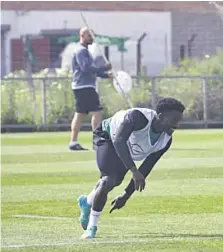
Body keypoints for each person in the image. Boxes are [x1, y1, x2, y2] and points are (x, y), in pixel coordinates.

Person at [76, 97, 185, 239]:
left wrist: (126, 195)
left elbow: (146, 167)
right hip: (107, 136)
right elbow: (119, 141)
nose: (177, 125)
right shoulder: (137, 117)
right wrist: (133, 170)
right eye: (174, 120)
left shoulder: (166, 140)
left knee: (114, 182)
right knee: (108, 180)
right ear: (160, 117)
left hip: (124, 147)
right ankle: (92, 227)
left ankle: (87, 201)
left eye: (179, 120)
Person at [69, 27, 113, 151]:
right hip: (85, 87)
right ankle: (97, 141)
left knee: (80, 114)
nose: (92, 38)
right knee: (97, 112)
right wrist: (104, 68)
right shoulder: (81, 51)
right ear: (82, 35)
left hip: (82, 86)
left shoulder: (86, 52)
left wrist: (106, 75)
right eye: (89, 36)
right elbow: (86, 68)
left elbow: (91, 71)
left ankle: (73, 142)